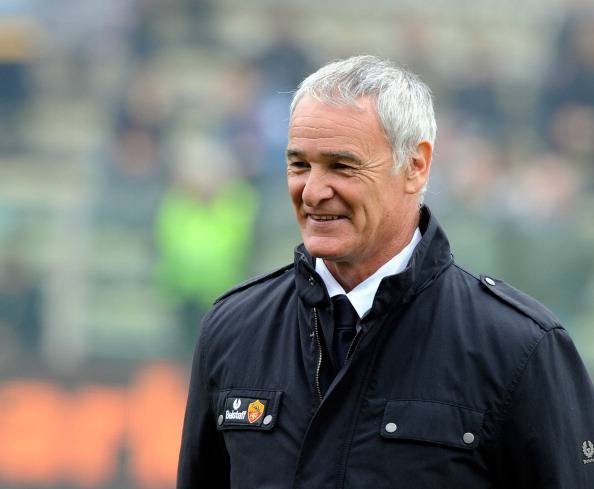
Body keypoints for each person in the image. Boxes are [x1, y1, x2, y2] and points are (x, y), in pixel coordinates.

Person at [177, 55, 594, 488]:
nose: (313, 191)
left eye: (342, 166)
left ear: (415, 166)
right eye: (300, 165)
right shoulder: (232, 331)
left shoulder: (520, 348)